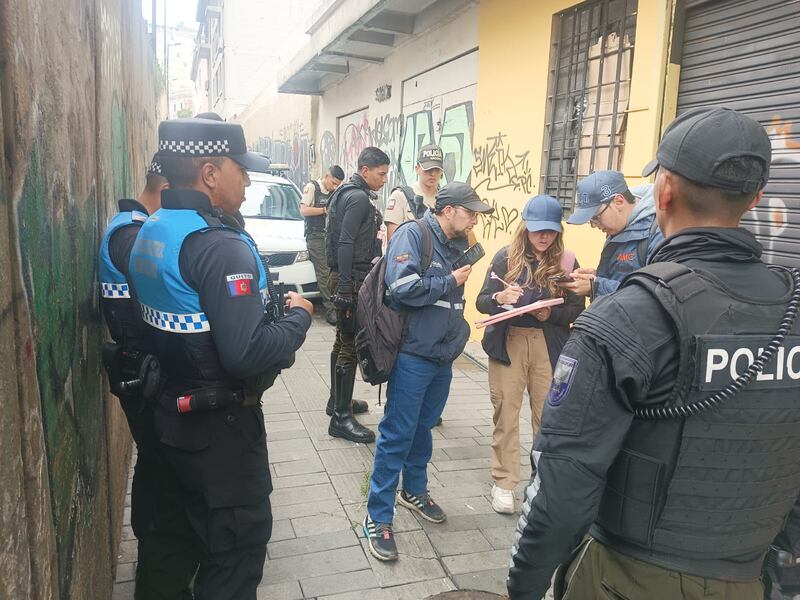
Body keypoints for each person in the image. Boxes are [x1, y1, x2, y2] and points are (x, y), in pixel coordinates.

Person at [506, 107, 800, 600]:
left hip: (628, 575)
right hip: (750, 576)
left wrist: (524, 587)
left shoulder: (627, 317)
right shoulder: (789, 312)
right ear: (755, 199)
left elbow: (562, 482)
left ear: (661, 193)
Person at [128, 117, 313, 600]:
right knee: (233, 557)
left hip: (167, 417)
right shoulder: (219, 246)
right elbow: (245, 354)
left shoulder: (154, 227)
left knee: (169, 547)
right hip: (220, 434)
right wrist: (299, 321)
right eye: (241, 169)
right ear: (210, 173)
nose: (248, 180)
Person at [363, 182, 494, 561]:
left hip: (441, 357)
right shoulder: (413, 234)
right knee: (396, 434)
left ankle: (414, 490)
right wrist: (450, 280)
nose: (474, 219)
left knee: (423, 427)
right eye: (470, 212)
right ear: (448, 209)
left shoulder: (455, 244)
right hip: (413, 356)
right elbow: (402, 287)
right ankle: (377, 516)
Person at [475, 195, 584, 515]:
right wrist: (500, 296)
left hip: (549, 345)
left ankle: (541, 482)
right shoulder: (505, 258)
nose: (543, 236)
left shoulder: (567, 261)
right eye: (537, 229)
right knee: (506, 413)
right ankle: (505, 482)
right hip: (509, 342)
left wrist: (549, 315)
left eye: (549, 230)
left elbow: (578, 308)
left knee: (547, 417)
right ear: (525, 227)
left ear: (558, 231)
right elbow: (482, 301)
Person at [98, 155, 174, 594]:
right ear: (165, 189)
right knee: (160, 470)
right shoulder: (132, 234)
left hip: (141, 368)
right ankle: (156, 574)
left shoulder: (131, 225)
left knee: (155, 466)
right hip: (140, 372)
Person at [325, 147, 389, 443]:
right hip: (350, 279)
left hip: (345, 276)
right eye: (381, 173)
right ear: (365, 170)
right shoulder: (358, 197)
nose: (384, 179)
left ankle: (337, 401)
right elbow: (346, 242)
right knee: (350, 343)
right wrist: (346, 289)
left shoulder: (345, 192)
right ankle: (340, 418)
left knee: (342, 339)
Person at [561, 171, 663, 299]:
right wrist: (597, 276)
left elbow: (656, 294)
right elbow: (624, 278)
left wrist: (597, 286)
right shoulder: (617, 228)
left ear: (619, 201)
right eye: (591, 221)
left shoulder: (658, 232)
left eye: (596, 217)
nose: (595, 225)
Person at [300, 165, 345, 325]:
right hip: (316, 236)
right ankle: (330, 309)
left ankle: (338, 306)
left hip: (330, 236)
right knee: (324, 272)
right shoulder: (312, 187)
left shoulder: (334, 191)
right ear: (326, 176)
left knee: (334, 270)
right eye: (333, 183)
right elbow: (303, 210)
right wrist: (324, 210)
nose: (334, 187)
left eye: (337, 185)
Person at [384, 143, 444, 240]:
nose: (432, 174)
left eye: (436, 170)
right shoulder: (400, 196)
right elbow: (393, 240)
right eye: (427, 169)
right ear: (417, 169)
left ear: (442, 171)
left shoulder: (446, 200)